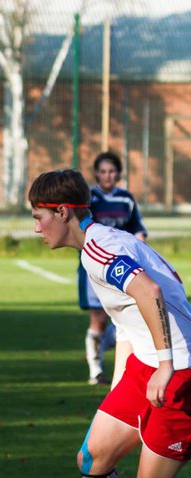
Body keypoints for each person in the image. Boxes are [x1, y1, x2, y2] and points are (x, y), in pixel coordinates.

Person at [30, 168, 191, 478]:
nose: (36, 226)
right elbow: (128, 321)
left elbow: (149, 291)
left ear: (62, 211)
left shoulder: (100, 248)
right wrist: (123, 387)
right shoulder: (96, 246)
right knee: (92, 458)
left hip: (179, 370)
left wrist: (165, 365)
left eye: (38, 215)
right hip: (148, 364)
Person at [79, 151, 146, 386]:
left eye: (112, 171)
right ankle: (95, 369)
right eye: (103, 171)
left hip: (122, 268)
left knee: (123, 317)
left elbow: (137, 227)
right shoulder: (89, 199)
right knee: (98, 318)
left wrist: (141, 247)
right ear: (97, 173)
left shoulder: (126, 199)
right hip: (95, 267)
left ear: (118, 174)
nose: (107, 175)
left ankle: (118, 363)